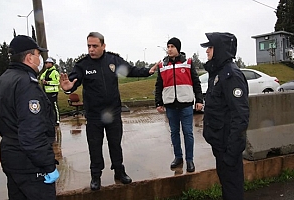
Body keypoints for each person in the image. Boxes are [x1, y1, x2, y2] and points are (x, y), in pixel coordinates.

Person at [59, 32, 158, 191]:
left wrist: (148, 71)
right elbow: (72, 81)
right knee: (94, 146)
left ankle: (119, 171)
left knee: (115, 144)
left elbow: (130, 70)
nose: (91, 49)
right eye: (89, 46)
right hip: (94, 115)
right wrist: (68, 88)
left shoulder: (113, 60)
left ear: (103, 46)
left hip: (113, 113)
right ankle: (95, 176)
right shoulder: (82, 65)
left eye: (95, 46)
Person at [0, 35, 59, 200]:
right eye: (38, 54)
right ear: (30, 57)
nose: (40, 59)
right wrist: (48, 164)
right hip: (29, 163)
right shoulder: (26, 84)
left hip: (10, 155)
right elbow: (32, 134)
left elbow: (1, 122)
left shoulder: (4, 79)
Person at [200, 32, 249, 200]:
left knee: (232, 187)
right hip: (220, 142)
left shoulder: (231, 75)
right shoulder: (218, 73)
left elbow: (240, 115)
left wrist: (232, 151)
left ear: (220, 49)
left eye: (210, 47)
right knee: (226, 184)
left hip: (228, 146)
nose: (207, 51)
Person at [155, 37, 204, 173]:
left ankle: (190, 160)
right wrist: (158, 102)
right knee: (174, 133)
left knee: (188, 132)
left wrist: (199, 100)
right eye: (168, 46)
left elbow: (196, 82)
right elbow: (159, 85)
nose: (169, 49)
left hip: (186, 104)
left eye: (172, 46)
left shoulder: (188, 63)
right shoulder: (162, 66)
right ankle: (178, 157)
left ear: (178, 48)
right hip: (170, 105)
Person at [40, 57, 60, 126]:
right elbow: (41, 77)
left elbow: (57, 82)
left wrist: (48, 83)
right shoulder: (46, 71)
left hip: (53, 92)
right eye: (45, 63)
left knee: (55, 106)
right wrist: (42, 80)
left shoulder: (55, 72)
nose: (45, 64)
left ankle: (57, 120)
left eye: (46, 63)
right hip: (46, 92)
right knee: (48, 106)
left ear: (51, 64)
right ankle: (50, 119)